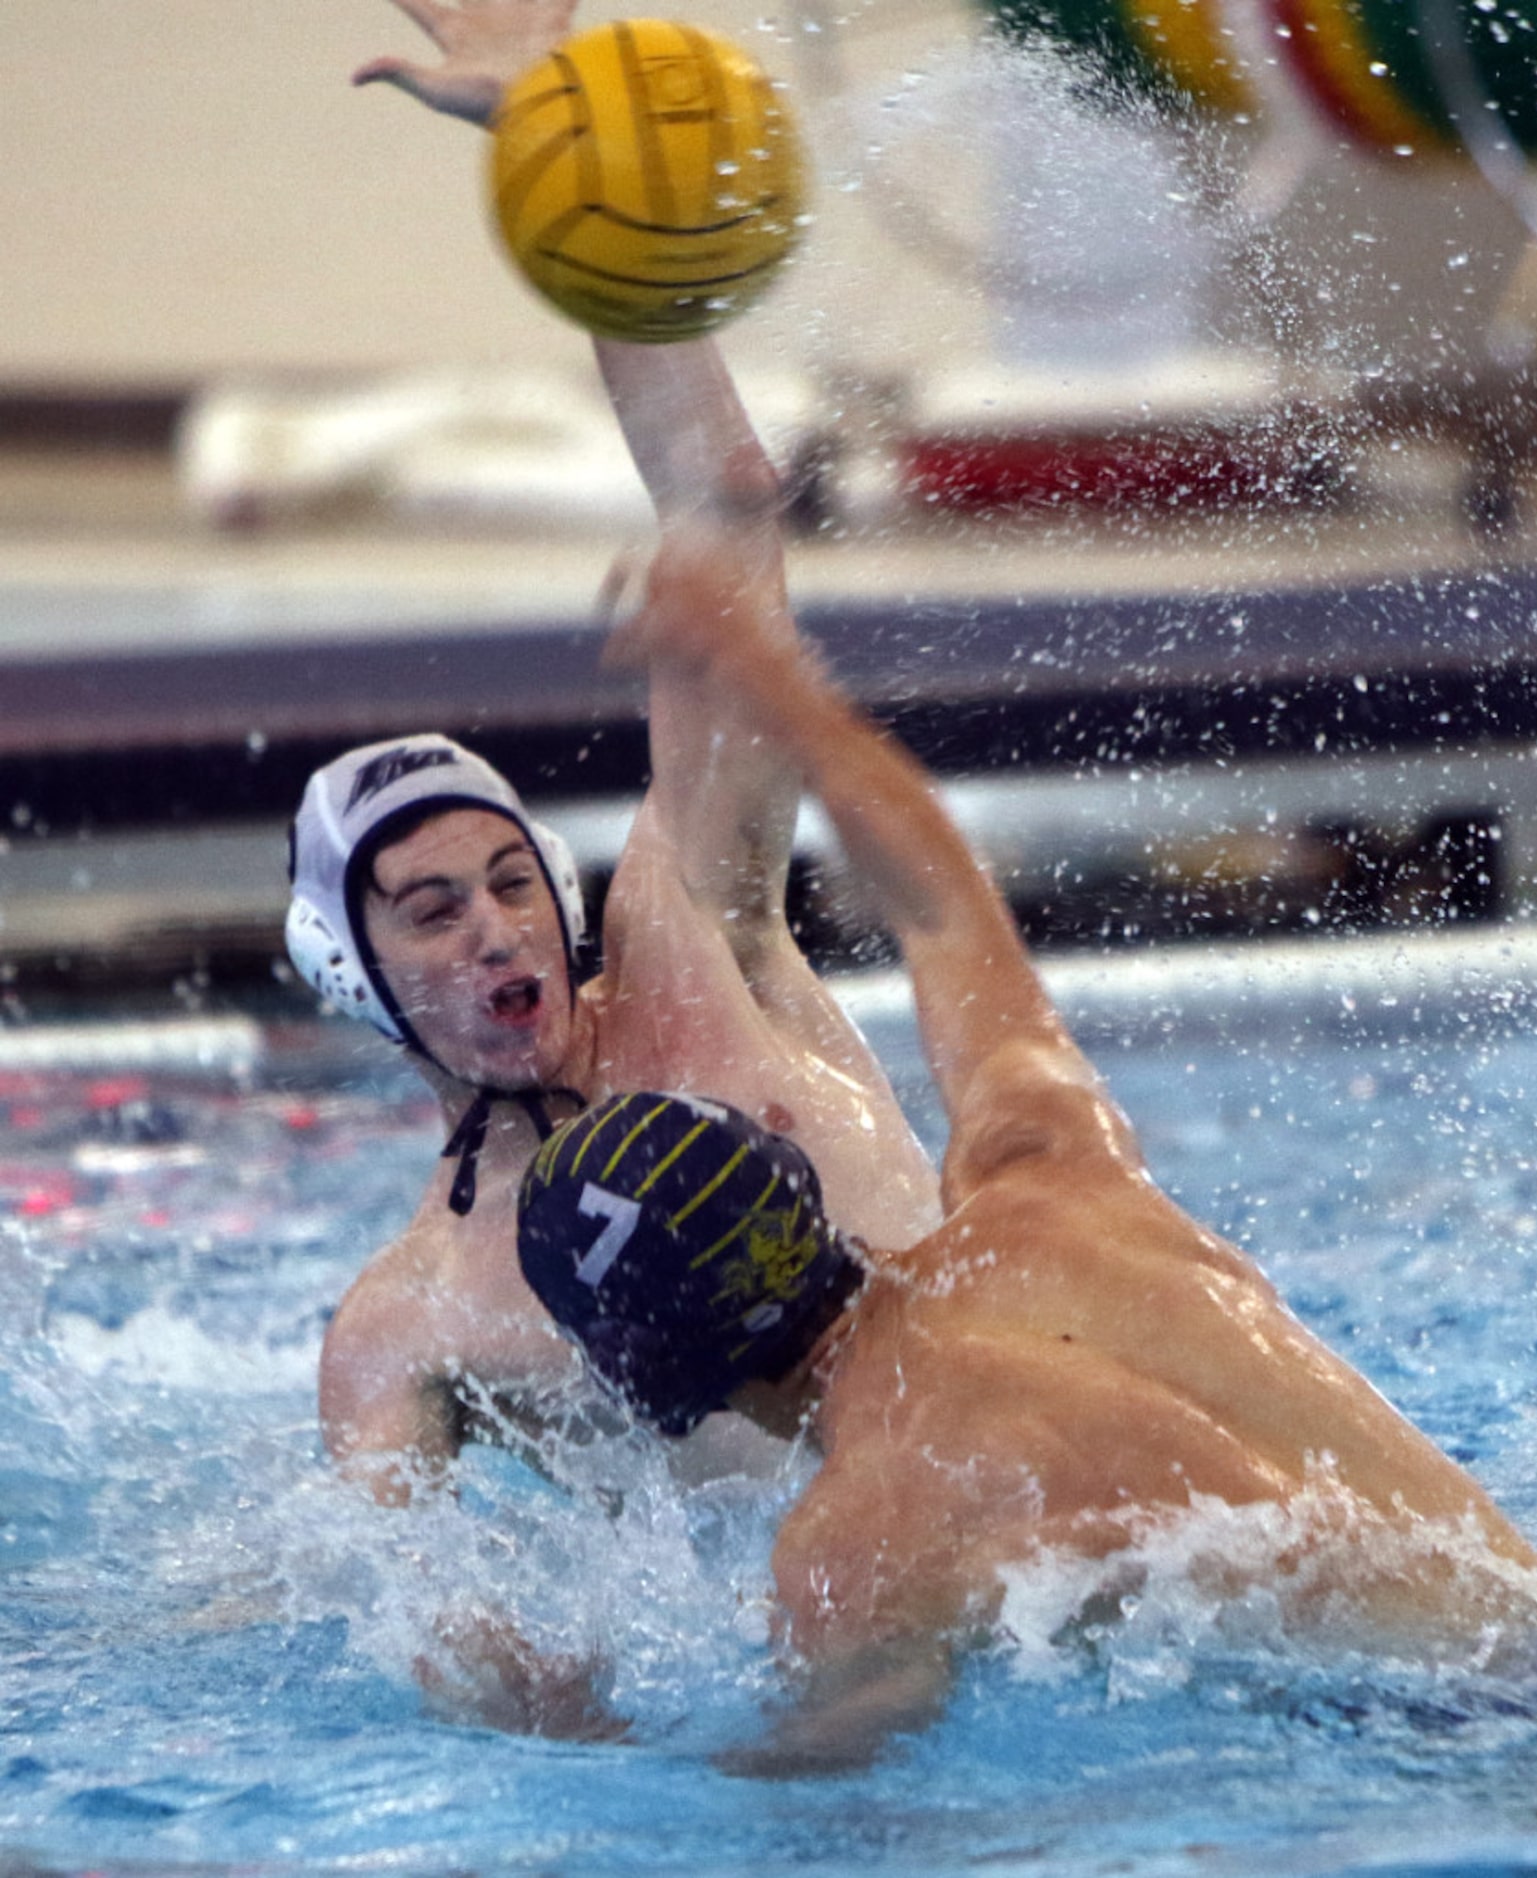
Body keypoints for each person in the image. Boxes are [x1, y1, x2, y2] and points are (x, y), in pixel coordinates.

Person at [517, 534, 1537, 1771]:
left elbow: (813, 1817)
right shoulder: (1046, 1182)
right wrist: (775, 685)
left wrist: (573, 1735)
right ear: (798, 1188)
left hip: (1485, 1765)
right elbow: (941, 909)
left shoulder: (858, 1540)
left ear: (653, 1387)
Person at [290, 0, 938, 1732]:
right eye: (430, 907)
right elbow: (409, 1612)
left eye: (508, 875)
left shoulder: (688, 938)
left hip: (1041, 1460)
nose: (499, 921)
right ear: (360, 974)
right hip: (863, 1646)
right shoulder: (408, 1325)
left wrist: (552, 150)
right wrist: (527, 1698)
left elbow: (726, 494)